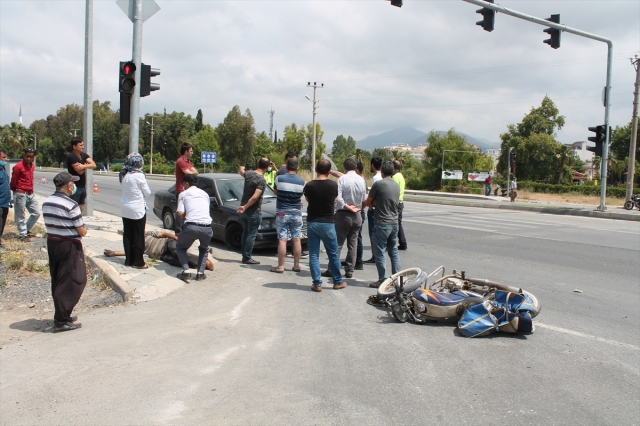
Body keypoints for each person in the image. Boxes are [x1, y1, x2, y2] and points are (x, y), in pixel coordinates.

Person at [42, 172, 87, 332]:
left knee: (59, 279)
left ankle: (64, 314)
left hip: (53, 244)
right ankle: (61, 321)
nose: (74, 186)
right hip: (69, 246)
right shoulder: (71, 204)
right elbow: (82, 231)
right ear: (69, 186)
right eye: (72, 183)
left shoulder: (47, 202)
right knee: (74, 280)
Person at [303, 159, 344, 292]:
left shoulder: (309, 185)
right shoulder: (333, 185)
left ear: (316, 169)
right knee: (333, 253)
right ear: (329, 171)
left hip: (313, 222)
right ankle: (337, 281)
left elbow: (308, 199)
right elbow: (334, 200)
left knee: (314, 254)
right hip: (328, 222)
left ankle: (317, 283)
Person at [323, 158, 366, 279]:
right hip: (357, 214)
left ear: (344, 167)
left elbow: (339, 199)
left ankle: (332, 269)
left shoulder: (342, 179)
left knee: (337, 244)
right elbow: (364, 199)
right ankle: (349, 270)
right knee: (353, 244)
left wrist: (348, 207)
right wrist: (357, 209)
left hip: (344, 214)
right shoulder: (361, 180)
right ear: (355, 166)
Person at [364, 161, 401, 288]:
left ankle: (382, 279)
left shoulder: (379, 184)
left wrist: (373, 203)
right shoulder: (396, 185)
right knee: (393, 251)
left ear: (382, 171)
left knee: (379, 252)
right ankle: (397, 280)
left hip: (382, 223)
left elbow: (369, 201)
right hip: (394, 222)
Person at [104, 229, 215, 271]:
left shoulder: (146, 234)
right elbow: (128, 253)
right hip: (162, 255)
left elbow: (163, 234)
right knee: (175, 261)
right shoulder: (135, 246)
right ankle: (200, 265)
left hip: (167, 244)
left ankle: (205, 262)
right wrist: (113, 253)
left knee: (177, 253)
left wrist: (177, 239)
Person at [173, 174, 213, 282]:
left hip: (191, 227)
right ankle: (200, 274)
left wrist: (188, 216)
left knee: (180, 247)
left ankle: (186, 272)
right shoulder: (205, 194)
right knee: (204, 249)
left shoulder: (183, 194)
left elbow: (180, 212)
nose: (183, 186)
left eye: (183, 184)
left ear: (186, 183)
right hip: (207, 227)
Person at [271, 158, 305, 273]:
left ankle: (280, 266)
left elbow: (276, 192)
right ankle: (296, 265)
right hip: (296, 213)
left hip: (282, 212)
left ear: (286, 167)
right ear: (297, 168)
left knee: (282, 239)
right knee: (296, 239)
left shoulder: (279, 179)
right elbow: (300, 195)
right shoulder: (302, 182)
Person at [119, 153, 151, 269]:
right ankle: (138, 262)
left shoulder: (124, 174)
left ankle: (128, 260)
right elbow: (148, 193)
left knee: (127, 234)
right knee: (138, 235)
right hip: (137, 209)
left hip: (125, 208)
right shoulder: (139, 176)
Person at [237, 158, 269, 265]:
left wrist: (241, 167)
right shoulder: (261, 180)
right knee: (251, 234)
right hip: (253, 210)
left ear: (258, 164)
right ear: (267, 167)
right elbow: (255, 197)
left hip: (244, 210)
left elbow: (242, 171)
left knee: (245, 232)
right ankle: (247, 257)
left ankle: (244, 254)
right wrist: (245, 207)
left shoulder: (249, 174)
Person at [10, 148, 40, 241]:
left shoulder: (32, 166)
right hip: (20, 193)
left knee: (36, 213)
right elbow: (13, 181)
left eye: (31, 157)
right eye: (27, 156)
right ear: (24, 155)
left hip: (30, 193)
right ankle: (23, 234)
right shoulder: (18, 167)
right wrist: (16, 191)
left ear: (33, 157)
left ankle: (25, 229)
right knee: (20, 215)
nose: (29, 158)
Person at [66, 137, 97, 213]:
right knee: (74, 207)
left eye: (83, 145)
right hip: (74, 186)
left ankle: (78, 221)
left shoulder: (84, 155)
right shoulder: (71, 157)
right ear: (74, 146)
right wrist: (86, 166)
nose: (83, 147)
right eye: (80, 145)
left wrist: (83, 166)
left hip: (82, 186)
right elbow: (79, 172)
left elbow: (93, 165)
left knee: (81, 206)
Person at [364, 156, 382, 264]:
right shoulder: (383, 176)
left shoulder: (376, 178)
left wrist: (369, 204)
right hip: (380, 208)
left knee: (373, 234)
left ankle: (375, 256)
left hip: (374, 209)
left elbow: (374, 194)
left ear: (372, 165)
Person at [392, 160, 407, 251]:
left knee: (395, 224)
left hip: (396, 203)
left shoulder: (394, 177)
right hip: (400, 202)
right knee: (398, 224)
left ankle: (402, 243)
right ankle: (402, 242)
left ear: (394, 168)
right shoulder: (401, 176)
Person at [0, 149, 11, 248]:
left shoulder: (3, 169)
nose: (5, 159)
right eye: (3, 157)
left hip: (5, 202)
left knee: (2, 223)